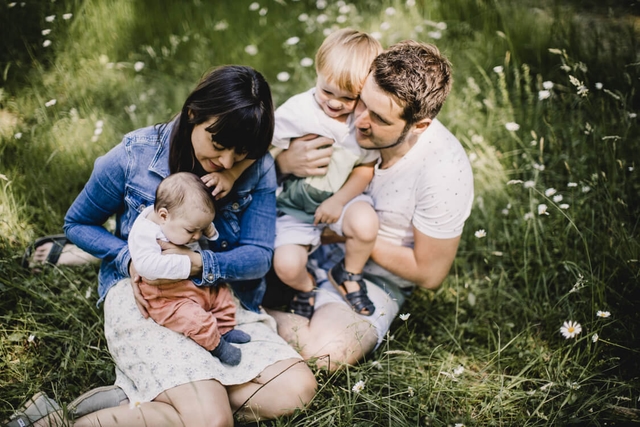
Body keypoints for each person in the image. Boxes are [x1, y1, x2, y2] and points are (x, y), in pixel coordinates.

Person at [11, 65, 316, 427]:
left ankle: (136, 400)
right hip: (149, 298)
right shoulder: (134, 155)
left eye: (241, 152)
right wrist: (129, 259)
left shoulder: (256, 166)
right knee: (211, 421)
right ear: (192, 114)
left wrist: (199, 263)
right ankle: (59, 423)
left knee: (294, 390)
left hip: (214, 300)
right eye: (218, 145)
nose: (227, 162)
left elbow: (259, 257)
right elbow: (77, 223)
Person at [265, 41, 475, 371]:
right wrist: (284, 163)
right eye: (361, 102)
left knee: (327, 352)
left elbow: (430, 273)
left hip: (371, 278)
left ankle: (245, 315)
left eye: (378, 118)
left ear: (419, 126)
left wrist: (348, 237)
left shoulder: (444, 170)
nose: (358, 120)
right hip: (293, 229)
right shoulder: (340, 107)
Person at [129, 172, 251, 366]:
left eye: (200, 230)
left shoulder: (180, 219)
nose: (196, 236)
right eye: (191, 230)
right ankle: (216, 345)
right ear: (163, 216)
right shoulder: (144, 233)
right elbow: (146, 267)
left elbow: (199, 230)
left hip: (193, 283)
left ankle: (225, 328)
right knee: (193, 318)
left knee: (222, 296)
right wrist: (188, 263)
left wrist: (208, 230)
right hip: (166, 294)